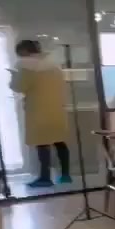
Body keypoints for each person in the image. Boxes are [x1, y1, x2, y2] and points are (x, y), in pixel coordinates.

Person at [10, 39, 71, 187]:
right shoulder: (53, 65)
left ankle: (45, 178)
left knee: (42, 143)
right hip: (56, 108)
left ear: (24, 51)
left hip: (38, 110)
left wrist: (13, 76)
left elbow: (18, 87)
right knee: (59, 141)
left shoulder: (26, 66)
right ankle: (65, 175)